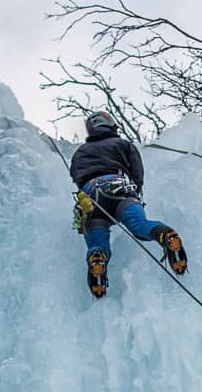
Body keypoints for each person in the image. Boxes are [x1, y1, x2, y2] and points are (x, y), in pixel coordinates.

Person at [68, 111, 186, 298]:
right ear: (111, 125)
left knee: (97, 242)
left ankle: (97, 258)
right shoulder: (123, 144)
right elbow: (137, 171)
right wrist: (136, 193)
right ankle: (164, 234)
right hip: (120, 188)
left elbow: (77, 177)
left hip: (91, 197)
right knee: (139, 226)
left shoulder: (80, 153)